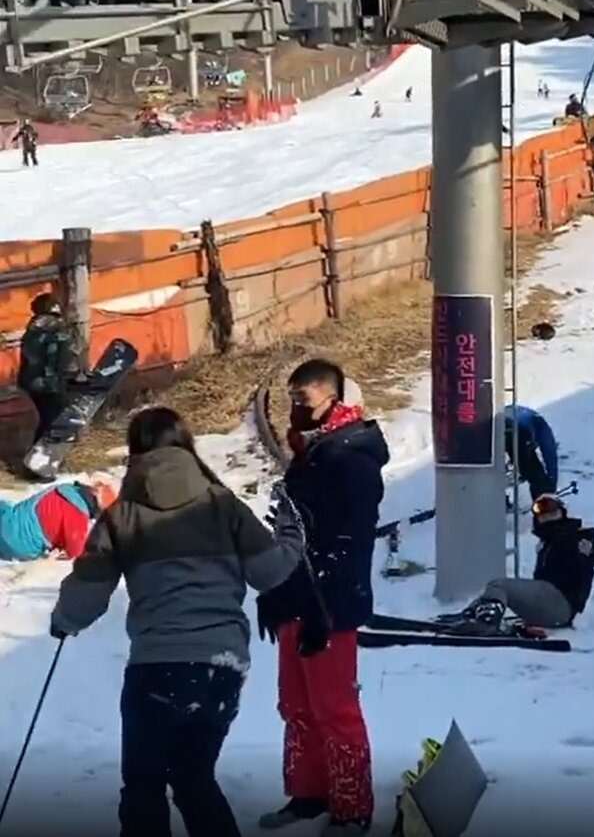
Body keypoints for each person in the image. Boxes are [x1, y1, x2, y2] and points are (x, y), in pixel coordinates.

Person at [49, 406, 306, 837]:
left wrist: (65, 620)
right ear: (185, 445)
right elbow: (268, 573)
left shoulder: (122, 515)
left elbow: (90, 587)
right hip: (222, 667)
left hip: (157, 669)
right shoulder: (222, 504)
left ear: (135, 452)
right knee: (193, 779)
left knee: (144, 788)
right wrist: (291, 537)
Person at [257, 359, 390, 836]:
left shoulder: (350, 458)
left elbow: (348, 543)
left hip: (330, 602)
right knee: (294, 703)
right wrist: (277, 586)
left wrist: (323, 605)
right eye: (292, 400)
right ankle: (309, 792)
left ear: (334, 400)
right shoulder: (313, 452)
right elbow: (296, 532)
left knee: (334, 707)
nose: (296, 410)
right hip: (298, 594)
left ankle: (352, 808)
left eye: (304, 401)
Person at [454, 493, 594, 629]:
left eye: (553, 513)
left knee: (499, 586)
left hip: (561, 605)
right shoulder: (548, 543)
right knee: (494, 588)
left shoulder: (573, 536)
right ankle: (472, 614)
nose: (547, 517)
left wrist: (590, 546)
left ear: (562, 514)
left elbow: (591, 544)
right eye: (543, 515)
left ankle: (486, 623)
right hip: (553, 605)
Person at [0, 479, 115, 562]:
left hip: (9, 520)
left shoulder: (64, 489)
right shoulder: (78, 517)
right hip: (19, 546)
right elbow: (76, 549)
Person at [18, 292, 79, 443]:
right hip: (49, 383)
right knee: (57, 419)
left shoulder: (32, 328)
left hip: (31, 382)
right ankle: (47, 457)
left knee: (47, 418)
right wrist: (69, 375)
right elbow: (58, 356)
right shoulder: (55, 326)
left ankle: (36, 456)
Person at [504, 403, 558, 501]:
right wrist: (552, 482)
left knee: (493, 467)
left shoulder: (530, 418)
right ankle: (543, 499)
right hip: (518, 429)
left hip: (494, 423)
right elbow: (550, 455)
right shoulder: (541, 427)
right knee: (536, 474)